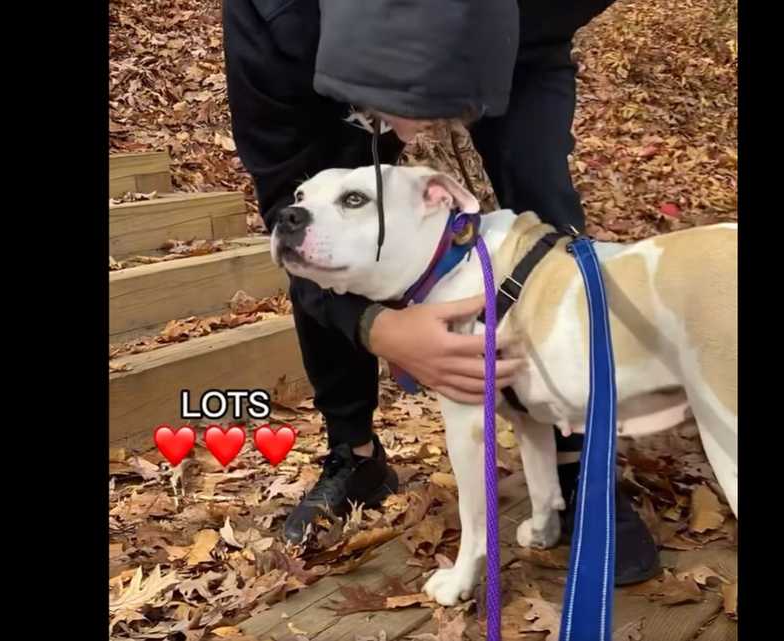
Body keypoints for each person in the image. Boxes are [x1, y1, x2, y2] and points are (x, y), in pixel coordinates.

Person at [222, 0, 660, 585]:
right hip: (312, 73)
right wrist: (378, 326)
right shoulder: (274, 23)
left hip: (520, 54)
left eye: (437, 111)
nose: (415, 135)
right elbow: (286, 206)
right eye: (397, 110)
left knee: (542, 193)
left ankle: (576, 454)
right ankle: (353, 454)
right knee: (319, 235)